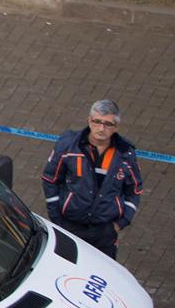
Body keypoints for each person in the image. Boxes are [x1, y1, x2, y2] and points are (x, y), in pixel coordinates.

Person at [43, 98, 141, 259]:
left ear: (116, 127)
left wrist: (121, 223)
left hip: (104, 232)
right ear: (89, 120)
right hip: (70, 226)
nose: (101, 128)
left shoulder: (125, 154)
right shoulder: (68, 146)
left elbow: (135, 189)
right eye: (97, 122)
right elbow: (50, 179)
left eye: (108, 124)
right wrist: (56, 218)